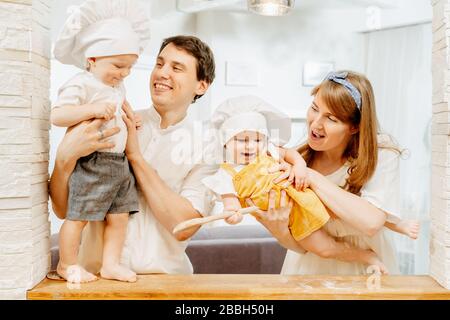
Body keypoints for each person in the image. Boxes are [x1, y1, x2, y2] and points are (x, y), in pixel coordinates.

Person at [49, 34, 217, 278]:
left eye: (176, 68)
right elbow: (63, 209)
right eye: (159, 64)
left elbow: (184, 226)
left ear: (202, 85)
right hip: (94, 281)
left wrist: (135, 156)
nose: (162, 73)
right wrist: (64, 160)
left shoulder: (206, 146)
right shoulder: (109, 123)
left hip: (166, 284)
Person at [204, 95, 417, 274]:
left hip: (302, 196)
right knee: (323, 248)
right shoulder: (226, 174)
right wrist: (234, 212)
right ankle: (363, 255)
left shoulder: (270, 152)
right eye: (241, 140)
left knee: (336, 211)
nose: (250, 146)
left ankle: (396, 223)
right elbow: (230, 201)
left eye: (257, 139)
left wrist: (300, 169)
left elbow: (293, 157)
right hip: (295, 221)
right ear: (226, 143)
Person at [50, 0, 151, 283]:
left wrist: (130, 118)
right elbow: (57, 115)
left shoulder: (115, 85)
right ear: (92, 59)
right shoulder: (80, 84)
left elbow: (120, 105)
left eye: (130, 68)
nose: (124, 73)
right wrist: (90, 110)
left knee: (119, 216)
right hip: (93, 162)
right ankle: (66, 264)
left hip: (119, 164)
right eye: (119, 65)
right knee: (78, 216)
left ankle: (111, 264)